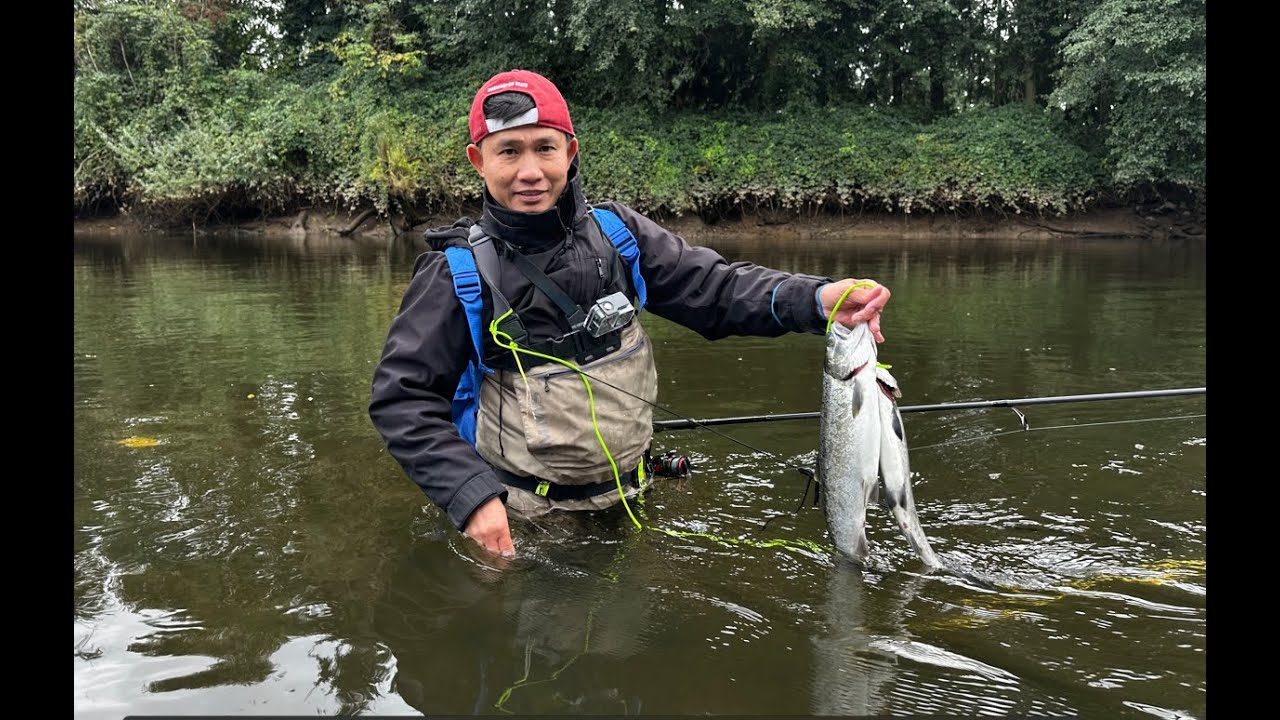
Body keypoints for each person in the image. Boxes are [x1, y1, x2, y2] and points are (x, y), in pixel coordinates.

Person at [369, 69, 890, 559]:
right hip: (524, 521)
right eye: (508, 151)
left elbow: (716, 290)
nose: (530, 172)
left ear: (570, 153)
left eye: (545, 148)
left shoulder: (620, 236)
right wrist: (470, 495)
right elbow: (401, 399)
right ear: (478, 161)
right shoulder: (453, 273)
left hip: (630, 495)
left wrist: (817, 299)